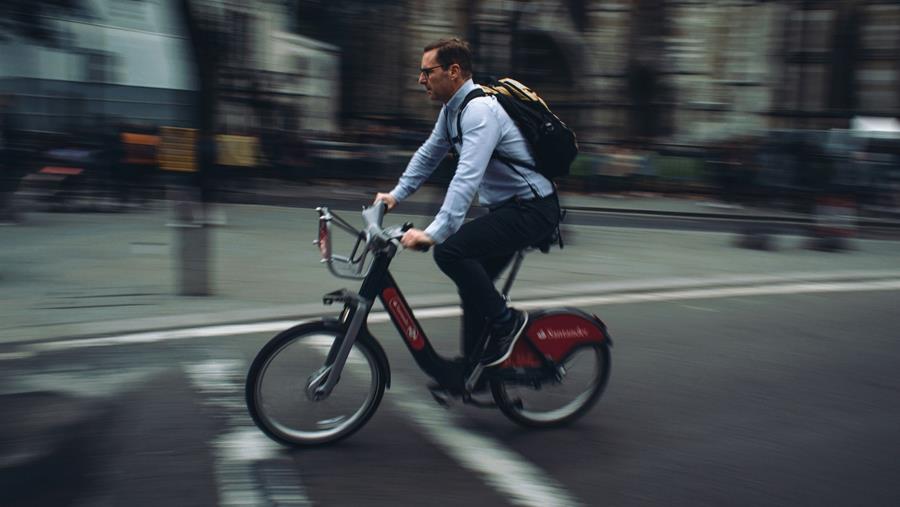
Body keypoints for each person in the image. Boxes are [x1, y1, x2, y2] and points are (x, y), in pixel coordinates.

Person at [374, 38, 560, 368]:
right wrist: (395, 195)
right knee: (473, 285)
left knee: (450, 252)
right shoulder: (453, 111)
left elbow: (466, 178)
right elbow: (428, 156)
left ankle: (508, 323)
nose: (420, 80)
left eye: (426, 72)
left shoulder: (479, 112)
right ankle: (474, 367)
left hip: (533, 208)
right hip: (511, 209)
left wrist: (435, 233)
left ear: (454, 71)